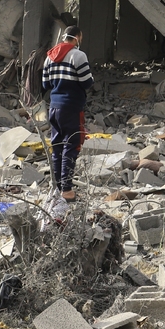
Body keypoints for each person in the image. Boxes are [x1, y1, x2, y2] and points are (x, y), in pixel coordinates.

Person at [42, 25, 93, 201]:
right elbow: (87, 82)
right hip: (71, 107)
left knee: (57, 147)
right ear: (77, 37)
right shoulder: (78, 55)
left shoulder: (49, 57)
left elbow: (46, 84)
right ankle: (67, 190)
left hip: (54, 107)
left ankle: (56, 189)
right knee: (72, 146)